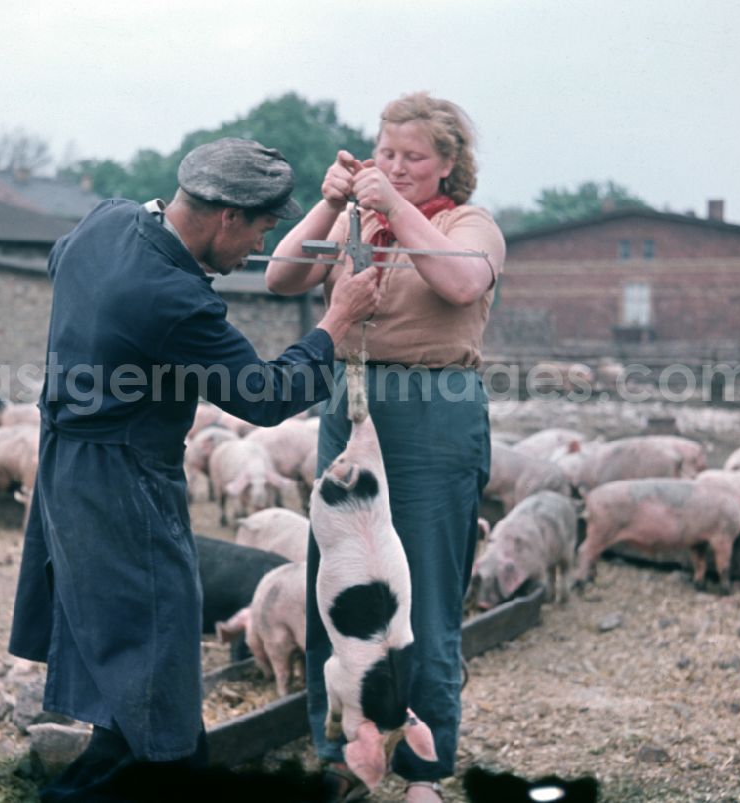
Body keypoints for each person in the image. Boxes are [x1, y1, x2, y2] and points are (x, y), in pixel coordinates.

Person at [7, 137, 380, 802]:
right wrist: (337, 321)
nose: (256, 251)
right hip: (125, 485)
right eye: (262, 229)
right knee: (157, 663)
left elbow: (58, 258)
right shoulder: (173, 298)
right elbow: (264, 397)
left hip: (67, 466)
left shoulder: (107, 220)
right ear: (226, 217)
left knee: (129, 663)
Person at [266, 93, 506, 802]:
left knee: (423, 596)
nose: (396, 168)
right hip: (352, 397)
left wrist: (391, 206)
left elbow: (460, 281)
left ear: (448, 164)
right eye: (386, 153)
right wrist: (332, 202)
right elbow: (282, 276)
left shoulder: (472, 225)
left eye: (413, 157)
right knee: (336, 586)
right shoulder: (357, 222)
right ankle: (344, 751)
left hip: (435, 410)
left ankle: (422, 768)